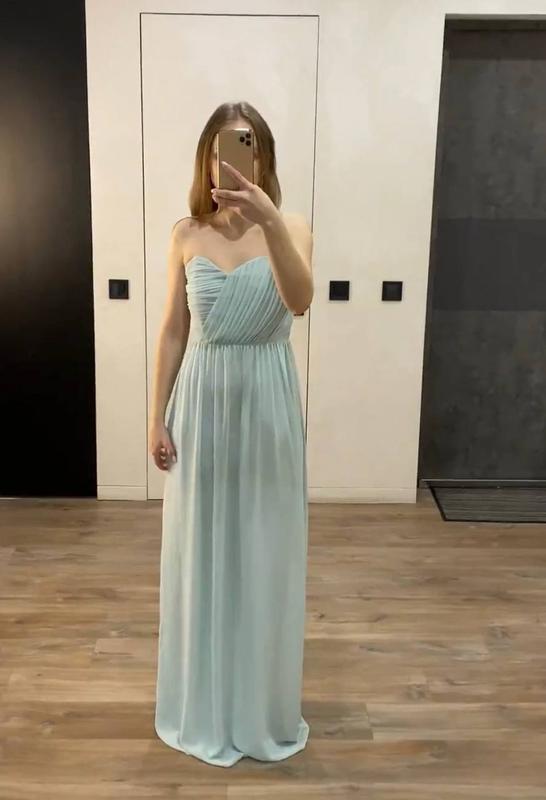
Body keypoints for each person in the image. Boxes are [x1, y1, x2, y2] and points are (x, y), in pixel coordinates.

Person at [149, 101, 314, 768]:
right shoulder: (186, 233)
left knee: (264, 546)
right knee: (204, 545)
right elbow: (173, 330)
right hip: (203, 400)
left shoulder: (292, 227)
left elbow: (299, 300)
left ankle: (257, 705)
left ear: (263, 156)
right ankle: (207, 700)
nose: (233, 162)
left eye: (246, 147)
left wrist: (269, 221)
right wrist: (155, 415)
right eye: (222, 150)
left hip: (267, 400)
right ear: (207, 158)